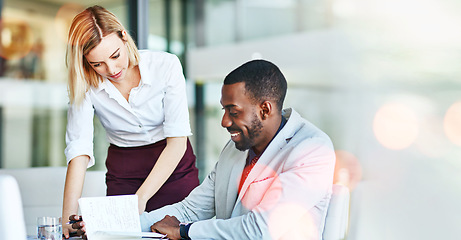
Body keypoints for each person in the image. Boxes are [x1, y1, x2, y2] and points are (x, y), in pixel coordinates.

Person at [70, 59, 336, 239]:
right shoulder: (236, 149)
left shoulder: (311, 150)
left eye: (233, 111)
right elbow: (189, 210)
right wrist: (107, 226)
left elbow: (262, 228)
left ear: (264, 109)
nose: (224, 122)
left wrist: (185, 232)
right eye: (224, 110)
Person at [62, 5, 199, 239]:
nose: (112, 69)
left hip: (173, 167)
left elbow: (177, 141)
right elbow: (79, 149)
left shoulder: (165, 65)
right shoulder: (85, 84)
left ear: (124, 36)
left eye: (115, 55)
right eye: (98, 64)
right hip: (124, 170)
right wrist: (67, 217)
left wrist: (140, 199)